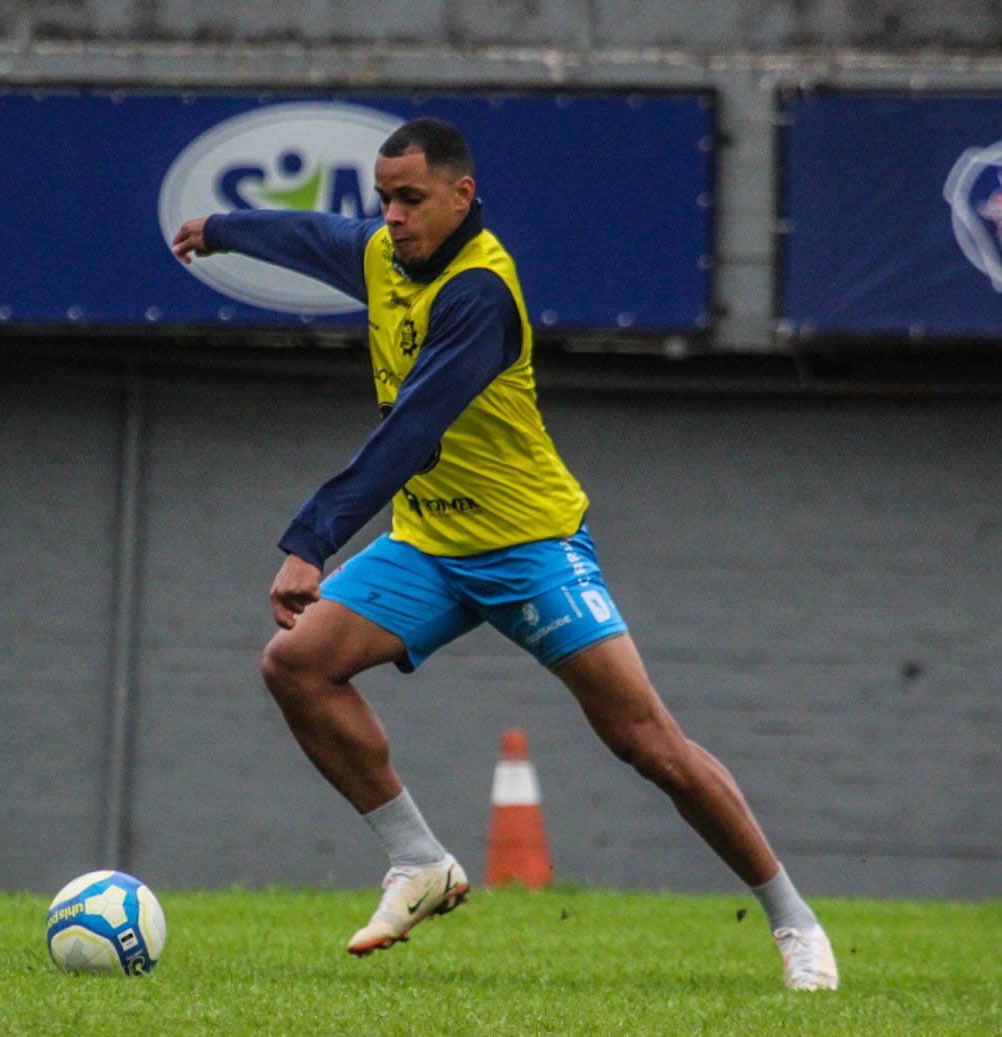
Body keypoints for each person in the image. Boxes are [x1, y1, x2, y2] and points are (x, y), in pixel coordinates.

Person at [171, 116, 838, 990]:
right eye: (385, 199)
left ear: (463, 195)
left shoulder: (481, 292)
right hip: (430, 546)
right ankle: (419, 861)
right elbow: (314, 233)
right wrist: (221, 230)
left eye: (412, 199)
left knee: (648, 741)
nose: (394, 216)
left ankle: (795, 920)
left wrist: (310, 541)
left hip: (529, 546)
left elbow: (413, 429)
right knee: (296, 664)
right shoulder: (383, 251)